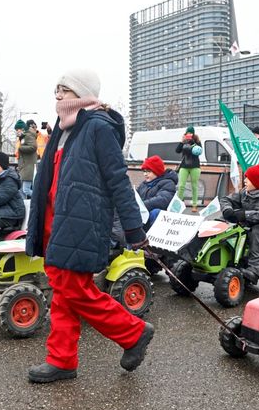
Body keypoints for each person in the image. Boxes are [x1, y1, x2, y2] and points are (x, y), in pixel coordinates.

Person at [26, 68, 153, 384]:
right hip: (57, 223)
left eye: (64, 90)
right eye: (56, 88)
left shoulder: (97, 127)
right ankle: (62, 359)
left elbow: (118, 179)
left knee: (72, 288)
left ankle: (133, 332)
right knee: (62, 291)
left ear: (81, 94)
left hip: (82, 224)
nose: (57, 95)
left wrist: (133, 228)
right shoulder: (63, 126)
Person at [220, 163, 259, 285]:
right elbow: (225, 199)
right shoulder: (245, 193)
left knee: (257, 232)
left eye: (248, 178)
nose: (245, 180)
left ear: (258, 182)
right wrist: (227, 210)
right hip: (249, 225)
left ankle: (254, 271)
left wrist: (246, 214)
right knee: (224, 223)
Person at [137, 155, 178, 227]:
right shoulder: (144, 184)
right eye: (144, 171)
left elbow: (162, 200)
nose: (145, 174)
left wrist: (141, 206)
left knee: (156, 212)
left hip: (159, 219)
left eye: (148, 171)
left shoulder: (168, 183)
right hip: (142, 214)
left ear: (157, 171)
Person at [175, 126, 202, 212]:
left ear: (193, 134)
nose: (189, 134)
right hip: (184, 166)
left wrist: (192, 142)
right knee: (181, 186)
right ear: (185, 133)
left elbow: (199, 151)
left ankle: (194, 205)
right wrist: (181, 142)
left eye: (191, 133)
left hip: (195, 166)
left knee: (194, 186)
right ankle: (179, 203)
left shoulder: (196, 141)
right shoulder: (183, 141)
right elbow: (177, 151)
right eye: (188, 133)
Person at [15, 119, 38, 198]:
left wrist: (21, 148)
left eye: (17, 130)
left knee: (25, 190)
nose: (16, 132)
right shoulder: (23, 137)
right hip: (25, 166)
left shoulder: (28, 136)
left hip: (28, 166)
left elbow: (33, 147)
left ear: (22, 129)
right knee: (23, 190)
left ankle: (39, 199)